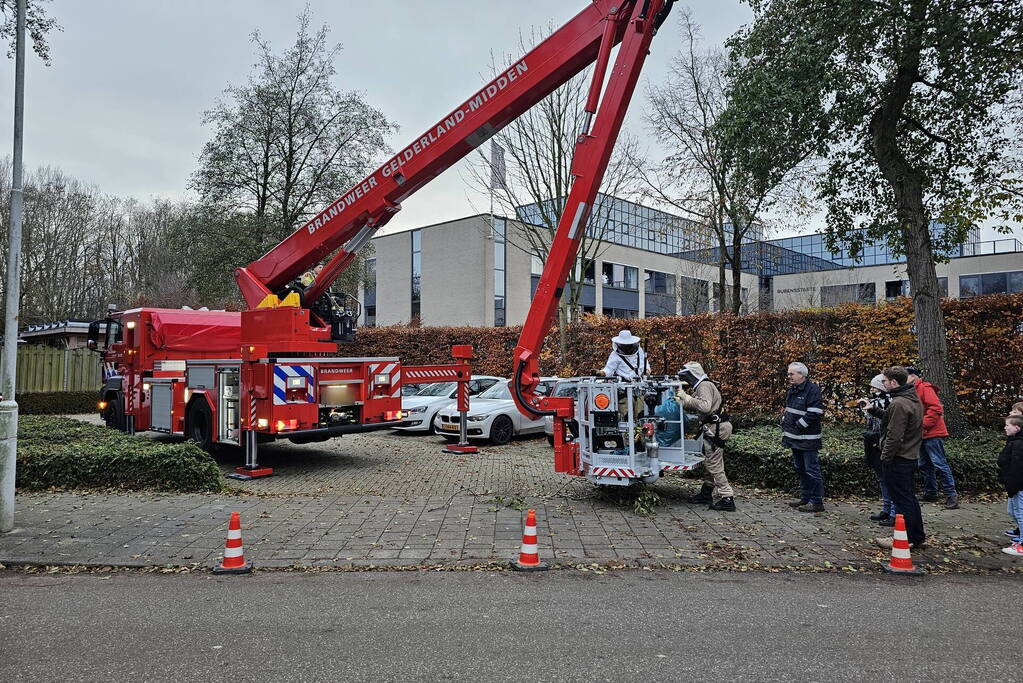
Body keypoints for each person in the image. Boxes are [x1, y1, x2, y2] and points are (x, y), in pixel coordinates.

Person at [875, 366, 926, 550]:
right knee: (909, 498)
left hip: (899, 457)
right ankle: (917, 536)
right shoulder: (911, 399)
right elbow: (895, 421)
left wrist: (885, 458)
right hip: (910, 455)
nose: (883, 384)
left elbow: (894, 435)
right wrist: (875, 411)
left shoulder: (899, 403)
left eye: (885, 381)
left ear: (894, 382)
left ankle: (906, 538)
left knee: (902, 500)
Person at [675, 361, 736, 511]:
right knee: (711, 461)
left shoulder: (704, 386)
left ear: (693, 375)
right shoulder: (704, 385)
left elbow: (705, 406)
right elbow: (700, 405)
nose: (687, 380)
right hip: (715, 427)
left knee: (714, 463)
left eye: (687, 377)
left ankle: (727, 498)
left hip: (716, 428)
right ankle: (706, 492)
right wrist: (683, 402)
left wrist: (687, 398)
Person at [906, 365, 959, 509]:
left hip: (931, 433)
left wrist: (922, 425)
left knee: (939, 464)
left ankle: (951, 495)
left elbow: (936, 408)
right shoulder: (912, 390)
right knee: (924, 464)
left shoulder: (924, 388)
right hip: (922, 434)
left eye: (907, 375)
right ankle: (931, 492)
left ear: (914, 376)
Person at [782, 362, 825, 512]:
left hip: (808, 439)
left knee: (811, 469)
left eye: (791, 374)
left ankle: (817, 502)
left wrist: (799, 425)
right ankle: (805, 498)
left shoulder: (812, 390)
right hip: (795, 438)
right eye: (789, 374)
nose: (789, 377)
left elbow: (815, 412)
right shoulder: (793, 389)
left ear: (802, 375)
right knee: (800, 468)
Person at [858, 374, 895, 526]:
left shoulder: (890, 402)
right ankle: (886, 509)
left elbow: (887, 422)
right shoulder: (873, 402)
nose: (872, 389)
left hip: (884, 443)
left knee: (890, 478)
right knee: (881, 478)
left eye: (875, 386)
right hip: (873, 442)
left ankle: (893, 512)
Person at [998, 414, 1023, 556]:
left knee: (1020, 513)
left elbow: (1017, 468)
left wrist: (1013, 486)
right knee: (1013, 512)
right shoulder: (1014, 442)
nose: (1005, 427)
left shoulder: (1018, 445)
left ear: (1016, 428)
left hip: (1017, 486)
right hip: (1014, 485)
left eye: (1008, 425)